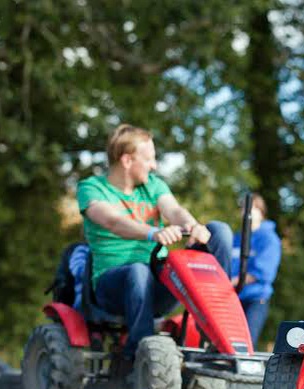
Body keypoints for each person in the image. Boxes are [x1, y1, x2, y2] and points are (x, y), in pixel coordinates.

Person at [77, 124, 232, 367]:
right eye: (148, 159)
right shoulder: (91, 188)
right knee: (138, 270)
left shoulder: (153, 185)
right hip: (112, 287)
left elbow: (174, 210)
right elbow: (113, 221)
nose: (154, 166)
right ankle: (138, 356)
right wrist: (153, 233)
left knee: (219, 231)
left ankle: (214, 333)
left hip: (157, 283)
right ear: (127, 160)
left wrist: (194, 227)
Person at [230, 194, 282, 349]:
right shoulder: (236, 238)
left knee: (245, 343)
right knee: (228, 341)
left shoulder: (269, 239)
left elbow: (263, 272)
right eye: (244, 209)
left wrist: (231, 282)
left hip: (255, 298)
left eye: (251, 208)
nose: (246, 213)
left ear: (261, 212)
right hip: (232, 298)